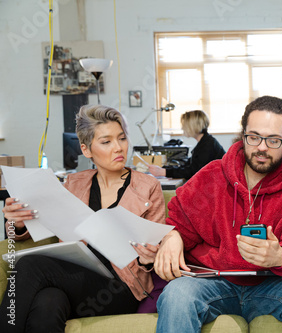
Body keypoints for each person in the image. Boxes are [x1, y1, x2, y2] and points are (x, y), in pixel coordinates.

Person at [154, 96, 282, 332]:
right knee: (176, 293)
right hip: (215, 283)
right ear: (243, 134)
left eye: (273, 140)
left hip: (274, 284)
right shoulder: (212, 175)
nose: (261, 147)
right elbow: (180, 222)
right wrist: (172, 236)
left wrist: (281, 256)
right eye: (254, 137)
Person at [1, 105, 166, 332]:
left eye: (122, 138)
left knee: (30, 265)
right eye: (106, 142)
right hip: (75, 279)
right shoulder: (73, 184)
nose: (118, 147)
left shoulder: (148, 187)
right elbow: (24, 234)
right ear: (86, 150)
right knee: (47, 304)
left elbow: (158, 249)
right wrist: (17, 223)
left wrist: (151, 255)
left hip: (121, 288)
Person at [148, 110, 225, 180]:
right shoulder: (205, 142)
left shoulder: (208, 145)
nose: (182, 128)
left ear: (193, 126)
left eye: (184, 125)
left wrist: (164, 172)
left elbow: (194, 171)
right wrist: (164, 169)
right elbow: (189, 165)